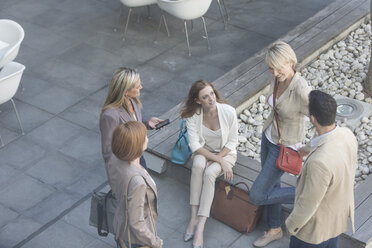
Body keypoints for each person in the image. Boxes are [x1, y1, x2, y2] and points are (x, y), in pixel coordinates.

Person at [249, 41, 312, 247]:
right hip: (269, 138)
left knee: (258, 195)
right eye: (271, 68)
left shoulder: (301, 89)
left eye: (279, 67)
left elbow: (323, 122)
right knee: (272, 185)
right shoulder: (277, 79)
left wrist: (307, 148)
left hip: (284, 147)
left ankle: (310, 197)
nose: (274, 72)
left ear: (291, 61)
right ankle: (275, 228)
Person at [285, 90, 357, 248]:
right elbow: (326, 140)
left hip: (315, 232)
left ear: (312, 119)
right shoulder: (347, 135)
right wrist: (306, 148)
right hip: (337, 220)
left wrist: (292, 225)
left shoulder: (319, 163)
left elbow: (309, 201)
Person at [181, 80, 238, 248]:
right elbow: (195, 146)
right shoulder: (193, 116)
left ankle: (200, 227)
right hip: (204, 151)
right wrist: (216, 159)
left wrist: (219, 159)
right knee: (198, 166)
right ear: (198, 101)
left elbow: (233, 142)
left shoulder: (228, 112)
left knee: (210, 173)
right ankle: (193, 217)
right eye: (205, 97)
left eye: (212, 93)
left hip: (226, 153)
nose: (211, 99)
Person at [107, 121, 163, 248]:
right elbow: (136, 223)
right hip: (137, 239)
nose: (147, 138)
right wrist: (155, 242)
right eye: (145, 137)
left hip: (121, 224)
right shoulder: (138, 182)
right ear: (137, 145)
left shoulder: (115, 159)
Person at [100, 67, 163, 172]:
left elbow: (131, 121)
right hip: (126, 164)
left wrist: (147, 122)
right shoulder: (110, 116)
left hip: (137, 156)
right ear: (125, 91)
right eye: (137, 87)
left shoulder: (133, 101)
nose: (141, 87)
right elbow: (108, 151)